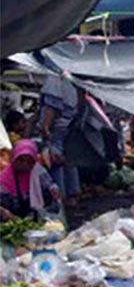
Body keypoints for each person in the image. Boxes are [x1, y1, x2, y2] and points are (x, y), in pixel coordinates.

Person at [36, 75, 80, 204]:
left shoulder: (55, 79)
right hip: (67, 123)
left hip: (56, 126)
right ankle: (73, 193)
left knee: (54, 161)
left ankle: (59, 197)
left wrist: (45, 126)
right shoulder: (73, 81)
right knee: (67, 159)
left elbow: (52, 106)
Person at [0, 140, 59, 221]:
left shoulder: (38, 171)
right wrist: (5, 213)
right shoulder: (4, 178)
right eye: (21, 160)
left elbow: (50, 184)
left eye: (29, 162)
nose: (25, 164)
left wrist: (54, 191)